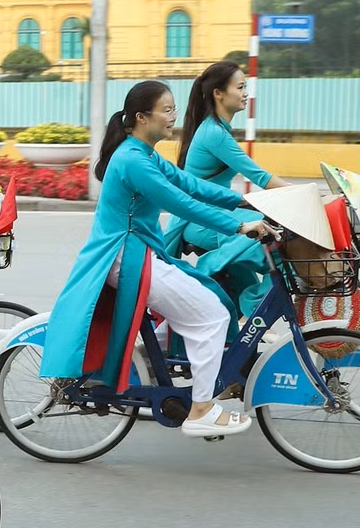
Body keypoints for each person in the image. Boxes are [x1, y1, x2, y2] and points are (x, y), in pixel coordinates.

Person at [41, 80, 274, 437]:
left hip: (140, 252)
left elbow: (189, 184)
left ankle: (150, 361)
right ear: (141, 117)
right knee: (211, 315)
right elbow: (181, 203)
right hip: (127, 257)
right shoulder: (133, 161)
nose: (174, 116)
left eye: (173, 108)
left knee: (205, 295)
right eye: (166, 110)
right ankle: (201, 409)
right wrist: (240, 226)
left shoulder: (144, 154)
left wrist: (246, 201)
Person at [169, 61, 274, 315]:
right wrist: (306, 194)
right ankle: (213, 273)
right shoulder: (214, 133)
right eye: (240, 87)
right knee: (277, 243)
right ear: (218, 93)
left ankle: (244, 320)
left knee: (234, 303)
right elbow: (260, 176)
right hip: (204, 220)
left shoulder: (216, 129)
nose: (246, 93)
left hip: (214, 213)